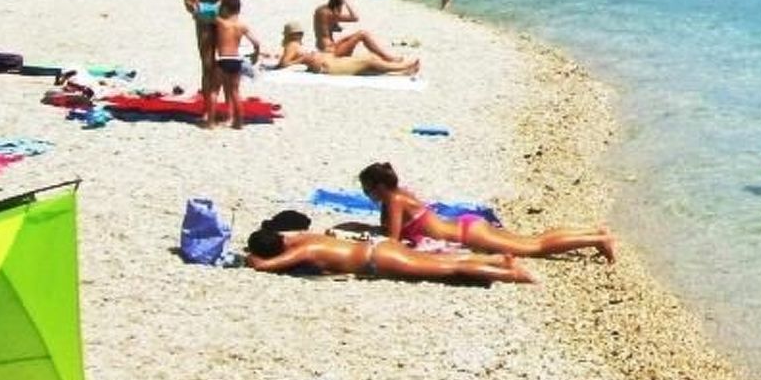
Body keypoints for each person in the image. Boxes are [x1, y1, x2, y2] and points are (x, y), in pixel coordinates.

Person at [358, 163, 616, 261]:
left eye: (368, 190)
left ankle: (597, 238)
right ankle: (594, 232)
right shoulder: (401, 193)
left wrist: (365, 239)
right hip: (468, 225)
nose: (367, 195)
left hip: (469, 233)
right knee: (532, 238)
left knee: (536, 246)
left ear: (380, 187)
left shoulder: (393, 201)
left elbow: (391, 239)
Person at [244, 225, 535, 285]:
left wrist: (251, 259)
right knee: (444, 261)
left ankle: (511, 275)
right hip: (381, 246)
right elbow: (284, 234)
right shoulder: (306, 238)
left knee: (447, 270)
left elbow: (265, 266)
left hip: (379, 260)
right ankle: (497, 260)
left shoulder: (305, 250)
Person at [176, 0, 240, 121]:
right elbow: (187, 1)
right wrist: (192, 4)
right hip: (204, 18)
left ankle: (229, 110)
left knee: (226, 62)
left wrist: (219, 6)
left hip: (225, 16)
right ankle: (208, 109)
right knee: (207, 64)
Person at [273, 23, 420, 77]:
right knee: (369, 60)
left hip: (330, 62)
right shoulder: (292, 45)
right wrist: (304, 59)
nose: (300, 36)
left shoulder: (293, 45)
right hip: (328, 66)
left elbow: (285, 62)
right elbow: (283, 65)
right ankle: (402, 67)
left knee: (369, 61)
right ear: (293, 35)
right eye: (298, 34)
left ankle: (401, 70)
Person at [206, 0, 265, 130]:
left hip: (222, 59)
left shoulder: (221, 23)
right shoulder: (242, 26)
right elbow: (256, 42)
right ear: (238, 10)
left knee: (214, 90)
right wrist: (255, 54)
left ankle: (210, 122)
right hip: (236, 60)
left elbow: (206, 14)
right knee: (235, 92)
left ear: (225, 9)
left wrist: (216, 4)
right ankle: (238, 122)